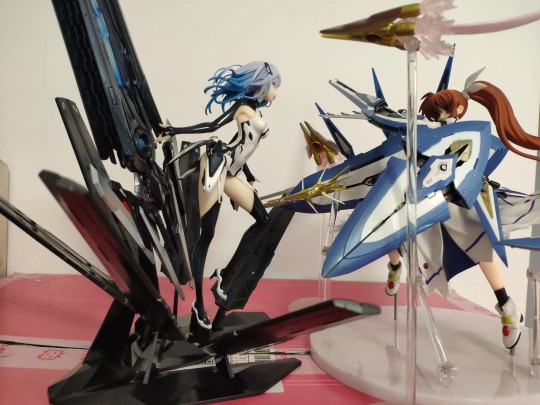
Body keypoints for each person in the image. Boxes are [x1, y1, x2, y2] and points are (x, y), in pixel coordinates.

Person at [386, 68, 539, 349]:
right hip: (427, 200)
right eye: (436, 114)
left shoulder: (471, 134)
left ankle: (506, 304)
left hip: (460, 202)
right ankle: (394, 266)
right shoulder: (426, 133)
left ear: (457, 110)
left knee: (480, 244)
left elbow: (484, 160)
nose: (441, 118)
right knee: (393, 230)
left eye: (443, 112)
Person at [158, 61, 281, 331]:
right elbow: (211, 125)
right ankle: (199, 305)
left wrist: (248, 174)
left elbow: (244, 144)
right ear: (262, 83)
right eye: (274, 85)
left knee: (264, 221)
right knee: (207, 236)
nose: (276, 91)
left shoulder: (255, 109)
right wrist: (174, 131)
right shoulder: (242, 108)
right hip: (217, 166)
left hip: (232, 172)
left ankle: (224, 275)